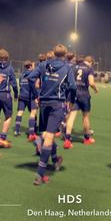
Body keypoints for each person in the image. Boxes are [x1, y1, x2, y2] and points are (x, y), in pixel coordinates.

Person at [29, 44, 77, 185]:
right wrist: (71, 101)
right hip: (57, 104)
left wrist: (36, 94)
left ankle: (55, 159)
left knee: (47, 134)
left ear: (54, 53)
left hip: (43, 104)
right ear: (65, 54)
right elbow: (73, 87)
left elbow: (31, 77)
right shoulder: (67, 67)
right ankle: (40, 174)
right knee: (50, 135)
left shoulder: (43, 64)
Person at [64, 55, 98, 149]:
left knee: (71, 116)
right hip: (84, 95)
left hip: (73, 94)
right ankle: (87, 139)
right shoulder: (89, 69)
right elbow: (91, 83)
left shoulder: (73, 67)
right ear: (90, 62)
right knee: (85, 117)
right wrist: (96, 89)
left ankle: (67, 139)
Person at [0, 49, 18, 148]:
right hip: (6, 95)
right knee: (8, 116)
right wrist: (16, 94)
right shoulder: (10, 68)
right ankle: (2, 138)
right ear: (7, 58)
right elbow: (14, 84)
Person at [14, 60, 38, 139]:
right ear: (31, 66)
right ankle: (31, 132)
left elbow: (20, 84)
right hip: (31, 97)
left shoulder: (22, 75)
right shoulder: (33, 74)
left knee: (20, 112)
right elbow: (34, 86)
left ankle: (16, 130)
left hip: (22, 96)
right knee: (33, 113)